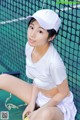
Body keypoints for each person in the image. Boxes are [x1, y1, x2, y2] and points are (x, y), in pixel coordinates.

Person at [0, 9, 77, 120]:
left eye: (40, 31)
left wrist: (40, 110)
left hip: (57, 105)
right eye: (31, 27)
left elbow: (64, 93)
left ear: (51, 37)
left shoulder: (54, 63)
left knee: (45, 115)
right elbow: (37, 78)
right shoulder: (29, 47)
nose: (32, 34)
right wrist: (32, 103)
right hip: (39, 96)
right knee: (3, 79)